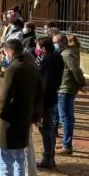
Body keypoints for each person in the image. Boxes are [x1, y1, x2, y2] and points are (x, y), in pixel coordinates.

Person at [0, 39, 41, 176]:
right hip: (24, 119)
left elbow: (6, 94)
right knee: (19, 160)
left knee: (4, 161)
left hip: (10, 120)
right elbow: (39, 94)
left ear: (10, 52)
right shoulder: (32, 67)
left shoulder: (12, 69)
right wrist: (35, 115)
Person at [53, 33, 86, 156]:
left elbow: (75, 70)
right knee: (65, 117)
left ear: (61, 43)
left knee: (66, 118)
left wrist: (81, 83)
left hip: (66, 89)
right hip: (62, 88)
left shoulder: (67, 54)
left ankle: (67, 145)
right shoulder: (63, 53)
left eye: (55, 42)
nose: (54, 44)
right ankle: (65, 143)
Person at [34, 37, 64, 169]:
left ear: (44, 48)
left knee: (45, 128)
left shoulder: (48, 61)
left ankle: (48, 157)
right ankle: (50, 155)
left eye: (38, 47)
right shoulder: (57, 57)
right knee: (49, 127)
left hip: (46, 99)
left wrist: (38, 100)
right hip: (53, 97)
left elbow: (44, 83)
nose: (37, 50)